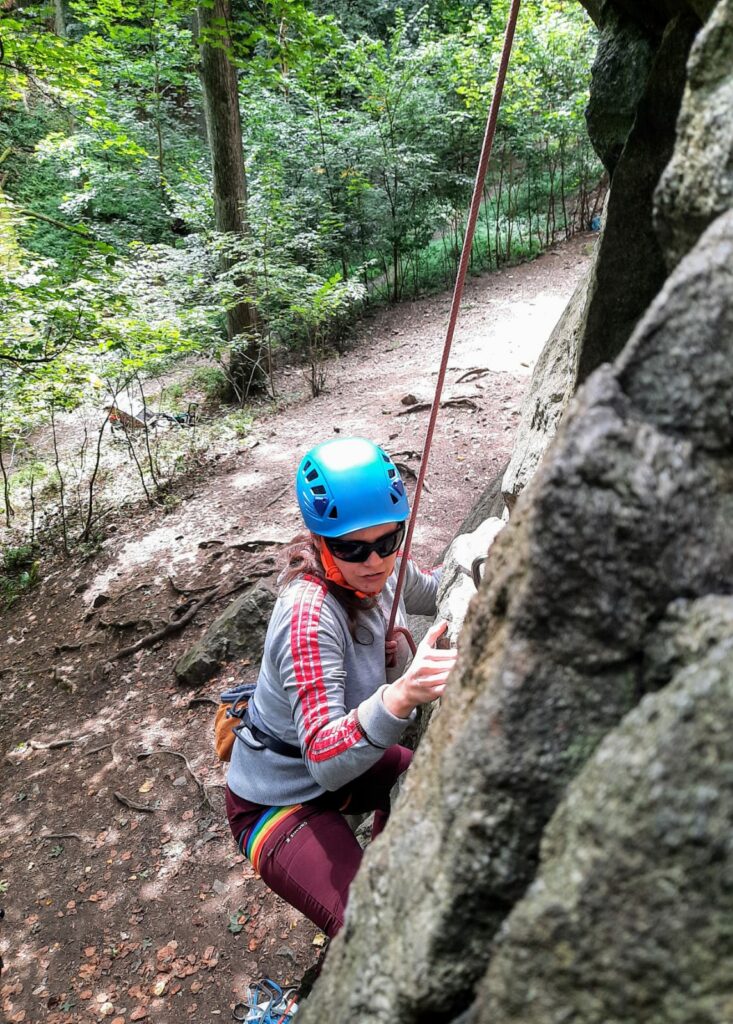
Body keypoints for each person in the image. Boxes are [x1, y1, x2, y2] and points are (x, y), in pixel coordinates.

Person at [225, 436, 457, 938]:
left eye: (388, 540)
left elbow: (437, 587)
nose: (374, 561)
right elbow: (325, 761)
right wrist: (398, 695)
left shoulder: (382, 571)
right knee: (369, 935)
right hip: (277, 800)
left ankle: (381, 873)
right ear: (320, 542)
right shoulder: (308, 617)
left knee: (425, 786)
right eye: (352, 547)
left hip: (347, 768)